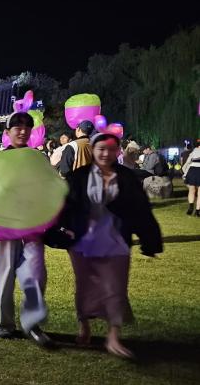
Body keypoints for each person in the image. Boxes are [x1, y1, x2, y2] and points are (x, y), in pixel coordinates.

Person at [57, 133, 163, 358]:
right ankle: (84, 325)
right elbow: (65, 206)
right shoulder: (79, 176)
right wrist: (63, 228)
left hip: (116, 240)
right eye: (101, 149)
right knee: (84, 286)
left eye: (111, 149)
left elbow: (141, 209)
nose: (106, 153)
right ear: (93, 150)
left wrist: (150, 240)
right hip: (83, 242)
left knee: (116, 287)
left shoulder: (126, 177)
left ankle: (113, 336)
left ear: (117, 152)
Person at [0, 112, 53, 347]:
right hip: (5, 226)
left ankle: (32, 323)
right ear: (7, 132)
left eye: (27, 126)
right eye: (17, 127)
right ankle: (5, 324)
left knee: (36, 273)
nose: (23, 130)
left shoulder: (38, 158)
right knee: (5, 275)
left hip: (32, 225)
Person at [182, 143, 200, 216]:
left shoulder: (193, 152)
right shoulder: (194, 151)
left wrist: (184, 173)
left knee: (191, 190)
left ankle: (191, 207)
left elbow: (187, 163)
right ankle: (198, 210)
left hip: (193, 170)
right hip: (196, 170)